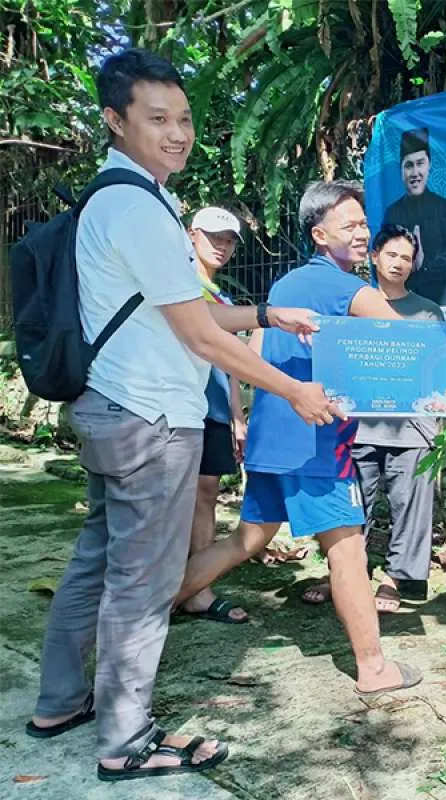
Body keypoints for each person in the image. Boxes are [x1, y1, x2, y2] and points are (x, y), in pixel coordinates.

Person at [24, 48, 341, 783]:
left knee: (96, 562)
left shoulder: (127, 199)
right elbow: (197, 334)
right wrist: (292, 390)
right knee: (141, 581)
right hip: (147, 419)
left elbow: (187, 309)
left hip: (111, 410)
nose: (177, 133)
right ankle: (125, 742)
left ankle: (60, 702)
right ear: (115, 121)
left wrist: (263, 311)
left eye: (185, 119)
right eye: (157, 119)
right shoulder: (135, 206)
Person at [171, 180, 446, 699]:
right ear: (320, 235)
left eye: (363, 223)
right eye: (351, 225)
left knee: (248, 539)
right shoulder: (343, 286)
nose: (362, 232)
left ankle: (149, 609)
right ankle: (373, 669)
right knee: (347, 550)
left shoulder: (287, 285)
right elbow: (423, 346)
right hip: (317, 442)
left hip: (273, 437)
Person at [300, 224, 446, 611]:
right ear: (374, 256)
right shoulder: (348, 303)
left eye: (406, 257)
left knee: (410, 506)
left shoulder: (426, 312)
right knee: (350, 506)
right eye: (392, 255)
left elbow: (443, 366)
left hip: (414, 428)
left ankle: (395, 578)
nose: (399, 263)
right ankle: (346, 574)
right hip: (355, 427)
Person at [177, 206, 250, 624]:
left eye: (229, 240)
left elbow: (232, 364)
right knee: (174, 496)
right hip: (180, 404)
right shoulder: (180, 286)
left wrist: (237, 416)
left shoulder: (222, 298)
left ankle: (197, 589)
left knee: (206, 495)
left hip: (214, 410)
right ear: (191, 236)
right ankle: (162, 587)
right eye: (214, 237)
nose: (222, 246)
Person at [381, 127, 446, 306]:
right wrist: (410, 264)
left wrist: (421, 266)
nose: (415, 173)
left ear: (429, 166)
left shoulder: (444, 208)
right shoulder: (393, 213)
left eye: (420, 163)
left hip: (439, 310)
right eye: (408, 165)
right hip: (401, 310)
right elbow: (380, 268)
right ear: (401, 171)